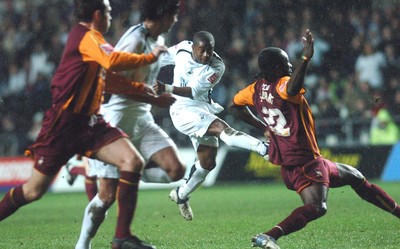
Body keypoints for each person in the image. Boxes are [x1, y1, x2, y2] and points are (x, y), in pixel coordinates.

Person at [0, 1, 175, 249]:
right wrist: (149, 57)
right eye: (109, 12)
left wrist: (150, 95)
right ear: (97, 14)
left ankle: (122, 237)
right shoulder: (84, 36)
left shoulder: (95, 41)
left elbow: (111, 78)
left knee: (132, 161)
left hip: (91, 123)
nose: (112, 17)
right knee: (32, 191)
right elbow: (113, 61)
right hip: (63, 124)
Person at [229, 29, 400, 249]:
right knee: (318, 207)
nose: (290, 65)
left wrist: (263, 125)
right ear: (275, 68)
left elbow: (234, 107)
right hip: (304, 162)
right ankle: (268, 236)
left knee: (355, 177)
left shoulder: (254, 89)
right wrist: (305, 58)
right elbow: (290, 88)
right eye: (285, 63)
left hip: (293, 164)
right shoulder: (283, 85)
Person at [74, 1, 185, 248]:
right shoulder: (135, 39)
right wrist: (155, 98)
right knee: (105, 197)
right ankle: (82, 244)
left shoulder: (157, 39)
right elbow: (110, 82)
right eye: (174, 15)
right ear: (164, 14)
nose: (176, 20)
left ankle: (129, 174)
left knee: (176, 170)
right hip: (116, 118)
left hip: (142, 118)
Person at [154, 31, 269, 221]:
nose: (206, 55)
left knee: (208, 163)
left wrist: (164, 88)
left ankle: (181, 194)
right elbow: (163, 57)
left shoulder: (217, 66)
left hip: (199, 107)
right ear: (193, 48)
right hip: (180, 111)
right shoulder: (182, 48)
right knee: (222, 129)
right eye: (202, 50)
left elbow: (193, 91)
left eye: (210, 50)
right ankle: (263, 148)